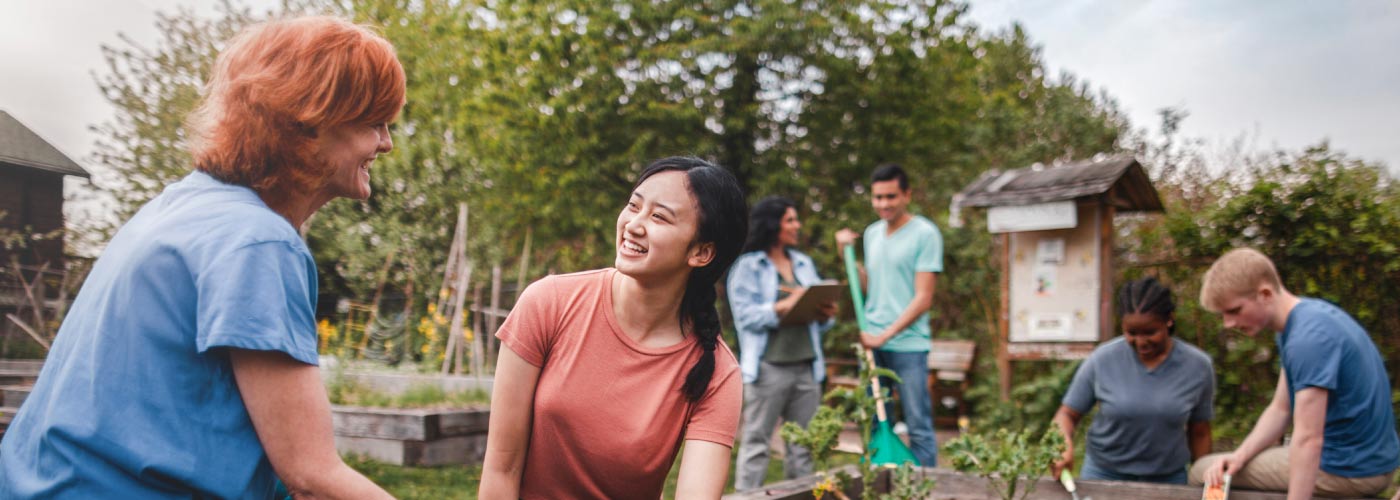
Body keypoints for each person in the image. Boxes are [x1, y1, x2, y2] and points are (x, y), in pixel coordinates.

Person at [0, 16, 403, 499]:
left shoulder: (183, 208)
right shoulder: (256, 243)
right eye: (374, 122)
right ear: (311, 121)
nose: (386, 143)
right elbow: (312, 477)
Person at [479, 157, 748, 499]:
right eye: (633, 206)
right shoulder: (548, 303)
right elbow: (502, 468)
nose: (634, 224)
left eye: (659, 217)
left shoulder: (717, 373)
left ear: (701, 252)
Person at [1190, 248, 1399, 499]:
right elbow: (1281, 409)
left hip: (1351, 469)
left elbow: (1309, 439)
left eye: (1234, 311)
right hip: (1367, 460)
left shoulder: (1307, 340)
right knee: (1223, 466)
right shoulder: (1305, 320)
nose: (1228, 323)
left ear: (1265, 294)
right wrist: (1239, 456)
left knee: (1201, 470)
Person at [1049, 277, 1215, 484]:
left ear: (1169, 320)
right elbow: (1066, 414)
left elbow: (1200, 432)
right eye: (1131, 333)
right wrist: (1061, 446)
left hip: (1167, 480)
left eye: (1150, 332)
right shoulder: (1103, 359)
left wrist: (1209, 487)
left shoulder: (1197, 366)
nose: (1141, 342)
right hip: (1104, 475)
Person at [834, 163, 941, 466]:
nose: (883, 204)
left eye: (890, 197)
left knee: (918, 424)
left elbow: (923, 298)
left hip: (908, 344)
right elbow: (870, 287)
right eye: (878, 197)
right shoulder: (872, 233)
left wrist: (886, 335)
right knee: (875, 422)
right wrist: (848, 256)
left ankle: (926, 489)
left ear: (907, 194)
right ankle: (881, 486)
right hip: (872, 343)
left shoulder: (925, 234)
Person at [728, 196, 838, 490]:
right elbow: (746, 316)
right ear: (773, 224)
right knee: (757, 442)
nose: (797, 225)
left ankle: (802, 497)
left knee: (803, 446)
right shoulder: (748, 267)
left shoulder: (803, 263)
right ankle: (746, 498)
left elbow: (819, 318)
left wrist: (825, 312)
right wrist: (784, 305)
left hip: (806, 368)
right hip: (768, 370)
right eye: (790, 220)